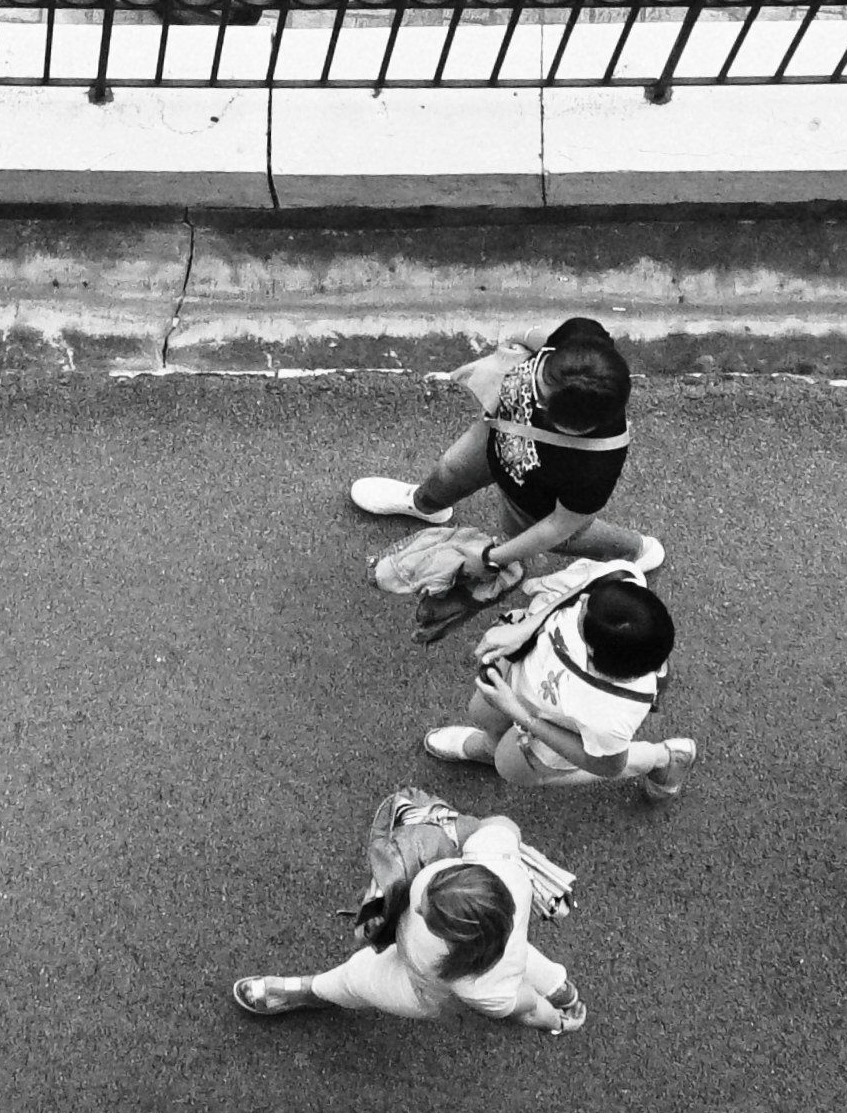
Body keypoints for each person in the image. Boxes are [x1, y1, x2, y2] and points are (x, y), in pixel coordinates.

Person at [352, 318, 658, 633]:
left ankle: (633, 550)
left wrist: (491, 558)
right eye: (539, 368)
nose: (531, 381)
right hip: (497, 436)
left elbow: (557, 527)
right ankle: (424, 504)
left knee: (546, 534)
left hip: (532, 501)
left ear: (571, 427)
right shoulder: (584, 348)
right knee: (452, 469)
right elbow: (547, 337)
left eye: (539, 397)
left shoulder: (595, 468)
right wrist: (518, 336)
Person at [231, 787, 585, 1032]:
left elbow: (523, 1006)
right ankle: (561, 988)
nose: (415, 904)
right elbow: (501, 827)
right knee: (517, 953)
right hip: (498, 944)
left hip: (420, 985)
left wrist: (552, 1020)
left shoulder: (483, 988)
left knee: (356, 979)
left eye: (427, 915)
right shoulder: (502, 870)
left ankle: (313, 991)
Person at [423, 559, 696, 800]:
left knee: (510, 768)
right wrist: (525, 627)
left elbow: (606, 765)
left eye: (584, 610)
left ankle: (662, 758)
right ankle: (489, 747)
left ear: (590, 651)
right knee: (482, 713)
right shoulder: (622, 582)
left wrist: (523, 717)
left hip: (550, 727)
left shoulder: (612, 716)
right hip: (524, 679)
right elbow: (584, 588)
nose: (582, 600)